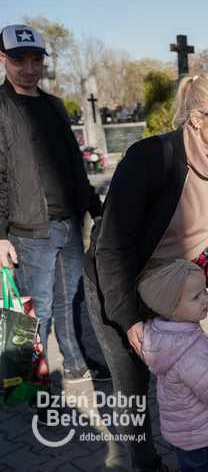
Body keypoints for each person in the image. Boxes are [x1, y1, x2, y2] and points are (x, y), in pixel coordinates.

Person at [83, 70, 208, 472]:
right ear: (196, 119)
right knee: (133, 385)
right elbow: (112, 247)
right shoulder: (151, 159)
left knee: (201, 368)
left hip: (175, 291)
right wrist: (129, 321)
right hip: (121, 287)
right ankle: (146, 462)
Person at [0, 24, 111, 416]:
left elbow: (74, 165)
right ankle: (35, 393)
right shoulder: (1, 108)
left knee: (70, 302)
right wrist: (0, 236)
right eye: (19, 60)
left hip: (68, 224)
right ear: (3, 59)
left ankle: (77, 364)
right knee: (36, 313)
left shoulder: (54, 105)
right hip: (30, 232)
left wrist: (96, 209)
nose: (29, 68)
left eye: (35, 61)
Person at [138, 259, 208, 472]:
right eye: (196, 296)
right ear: (170, 307)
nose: (206, 299)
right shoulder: (190, 347)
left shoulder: (166, 334)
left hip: (183, 434)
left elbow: (193, 370)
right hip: (202, 439)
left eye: (204, 291)